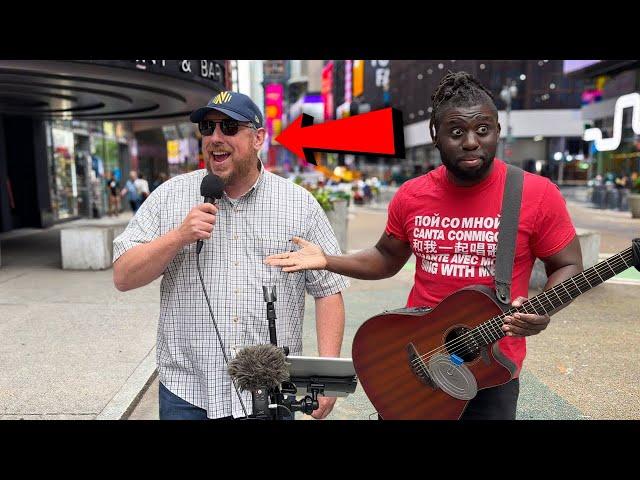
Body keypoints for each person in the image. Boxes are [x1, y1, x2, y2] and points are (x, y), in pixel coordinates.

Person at [265, 71, 583, 420]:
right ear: (436, 135)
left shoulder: (534, 194)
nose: (472, 142)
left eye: (483, 129)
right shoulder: (412, 196)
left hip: (491, 370)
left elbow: (567, 264)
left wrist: (542, 310)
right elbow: (386, 257)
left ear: (497, 130)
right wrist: (327, 259)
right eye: (457, 132)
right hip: (417, 359)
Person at [112, 91, 348, 420]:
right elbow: (123, 276)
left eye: (229, 127)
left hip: (270, 390)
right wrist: (179, 236)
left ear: (258, 138)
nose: (216, 138)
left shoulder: (299, 205)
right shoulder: (170, 196)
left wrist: (327, 379)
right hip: (188, 389)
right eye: (208, 128)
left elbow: (329, 290)